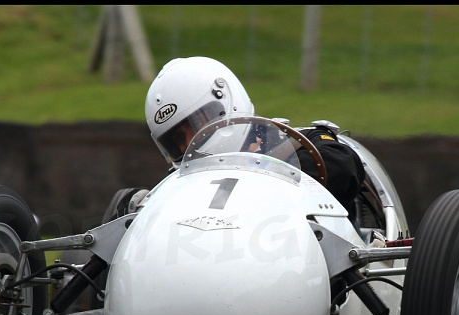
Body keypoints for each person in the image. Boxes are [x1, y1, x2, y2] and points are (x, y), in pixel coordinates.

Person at [144, 56, 366, 225]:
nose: (189, 143)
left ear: (226, 103)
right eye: (178, 139)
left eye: (195, 125)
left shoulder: (303, 143)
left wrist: (261, 174)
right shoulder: (181, 183)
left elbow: (342, 167)